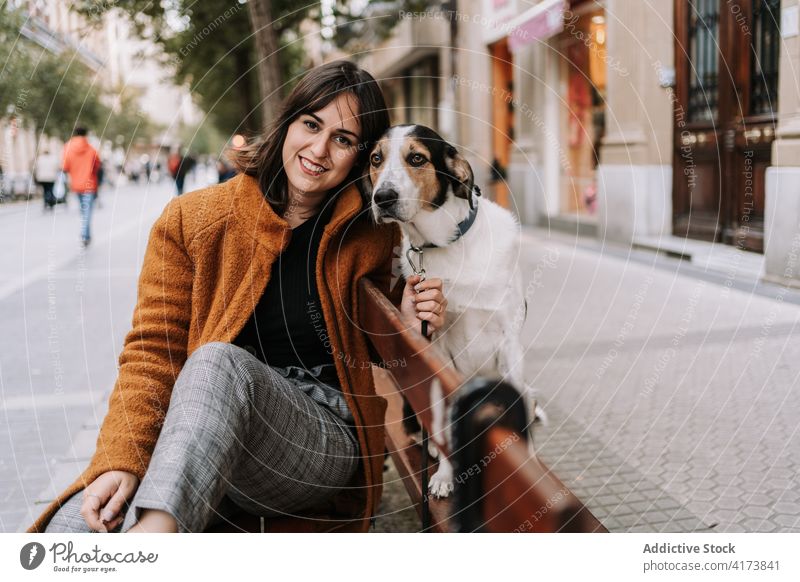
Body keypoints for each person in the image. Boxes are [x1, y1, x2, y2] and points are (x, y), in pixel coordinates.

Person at [30, 60, 447, 534]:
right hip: (197, 429)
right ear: (287, 122)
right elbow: (152, 352)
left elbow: (375, 349)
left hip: (318, 440)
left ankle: (154, 543)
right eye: (311, 125)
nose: (319, 150)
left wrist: (405, 320)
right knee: (76, 528)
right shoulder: (193, 220)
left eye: (344, 139)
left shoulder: (372, 234)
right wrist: (120, 460)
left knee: (216, 362)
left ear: (360, 156)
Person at [61, 127, 100, 247]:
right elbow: (97, 165)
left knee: (83, 211)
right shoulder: (91, 149)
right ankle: (85, 235)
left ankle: (86, 235)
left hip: (76, 184)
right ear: (86, 134)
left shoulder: (67, 147)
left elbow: (65, 166)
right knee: (87, 211)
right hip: (89, 184)